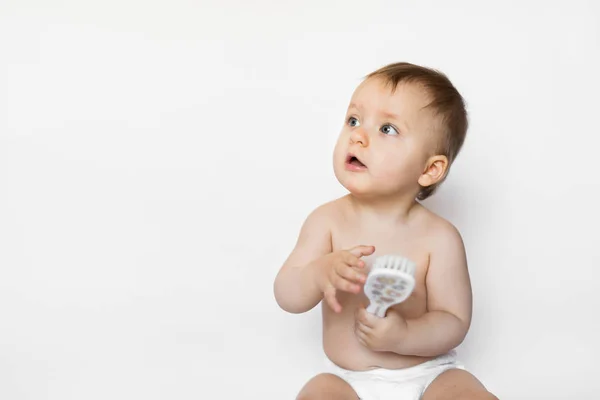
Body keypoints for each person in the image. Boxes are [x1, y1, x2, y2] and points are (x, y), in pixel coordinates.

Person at [273, 62, 499, 400]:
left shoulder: (439, 238)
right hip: (348, 378)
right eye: (353, 120)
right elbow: (287, 295)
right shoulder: (327, 221)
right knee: (317, 394)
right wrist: (317, 274)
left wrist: (404, 336)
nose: (358, 135)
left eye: (387, 129)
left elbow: (453, 321)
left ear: (429, 169)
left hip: (429, 373)